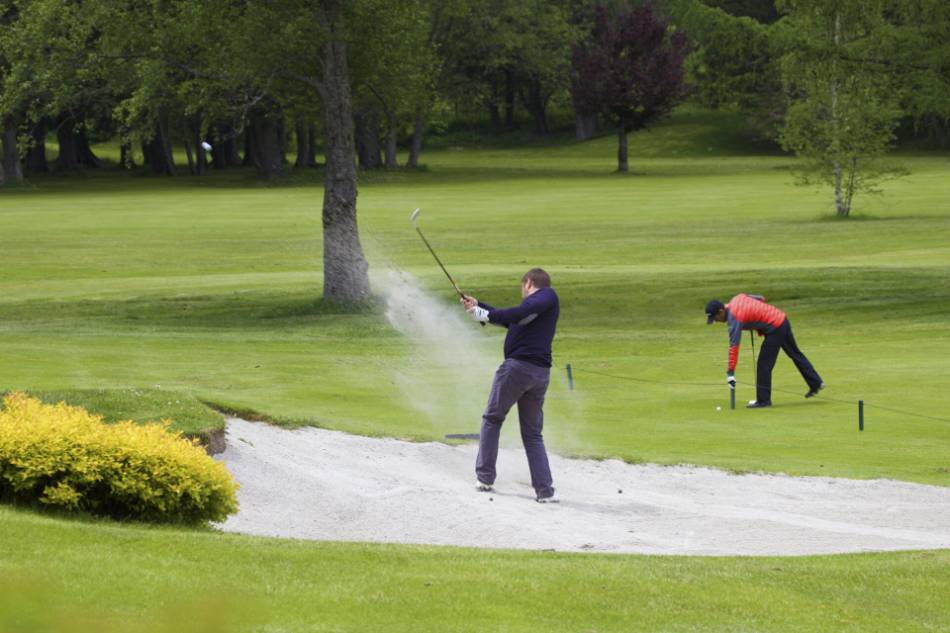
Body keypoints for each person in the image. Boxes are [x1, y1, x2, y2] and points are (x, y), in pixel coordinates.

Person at [461, 268, 559, 502]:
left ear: (529, 283)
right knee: (532, 433)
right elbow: (512, 318)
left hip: (518, 370)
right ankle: (543, 491)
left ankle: (484, 478)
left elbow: (517, 312)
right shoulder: (534, 311)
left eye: (522, 288)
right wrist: (479, 307)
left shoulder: (547, 296)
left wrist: (484, 315)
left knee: (492, 419)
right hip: (538, 375)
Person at [705, 294, 824, 408]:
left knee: (763, 365)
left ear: (721, 312)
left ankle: (763, 401)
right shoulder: (737, 298)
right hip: (782, 319)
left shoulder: (734, 318)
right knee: (795, 354)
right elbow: (761, 298)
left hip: (775, 328)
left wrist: (730, 372)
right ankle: (816, 383)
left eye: (715, 318)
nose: (715, 321)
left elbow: (734, 346)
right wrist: (752, 316)